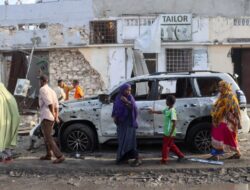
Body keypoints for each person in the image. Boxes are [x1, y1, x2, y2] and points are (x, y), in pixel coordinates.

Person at [209, 80, 242, 161]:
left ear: (225, 87)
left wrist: (238, 122)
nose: (219, 88)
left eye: (221, 86)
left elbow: (236, 110)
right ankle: (216, 155)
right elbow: (217, 106)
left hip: (229, 121)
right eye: (219, 86)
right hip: (220, 120)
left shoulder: (230, 96)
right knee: (216, 135)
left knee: (228, 137)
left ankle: (237, 153)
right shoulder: (221, 96)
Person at [149, 95, 185, 164]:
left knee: (165, 146)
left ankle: (164, 160)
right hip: (167, 132)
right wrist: (153, 111)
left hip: (169, 132)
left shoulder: (172, 111)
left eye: (166, 101)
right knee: (171, 145)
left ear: (169, 102)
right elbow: (161, 112)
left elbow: (174, 123)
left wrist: (171, 133)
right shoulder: (167, 109)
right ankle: (181, 156)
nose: (165, 102)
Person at [112, 83, 142, 167]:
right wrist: (114, 116)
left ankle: (136, 158)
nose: (128, 92)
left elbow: (134, 109)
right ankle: (123, 158)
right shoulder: (118, 97)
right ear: (122, 90)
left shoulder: (130, 97)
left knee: (129, 141)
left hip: (129, 123)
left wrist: (126, 102)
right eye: (127, 90)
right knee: (122, 141)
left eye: (130, 90)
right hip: (121, 123)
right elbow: (115, 108)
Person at [39, 75, 65, 164]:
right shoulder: (52, 90)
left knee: (48, 137)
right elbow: (56, 105)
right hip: (51, 117)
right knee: (46, 136)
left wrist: (54, 115)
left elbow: (50, 104)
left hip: (47, 116)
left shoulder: (43, 89)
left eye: (40, 81)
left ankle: (59, 156)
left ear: (42, 81)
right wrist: (56, 116)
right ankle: (48, 155)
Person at [0, 83, 20, 162]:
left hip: (3, 123)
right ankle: (8, 156)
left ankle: (3, 157)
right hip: (12, 123)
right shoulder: (10, 97)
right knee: (8, 140)